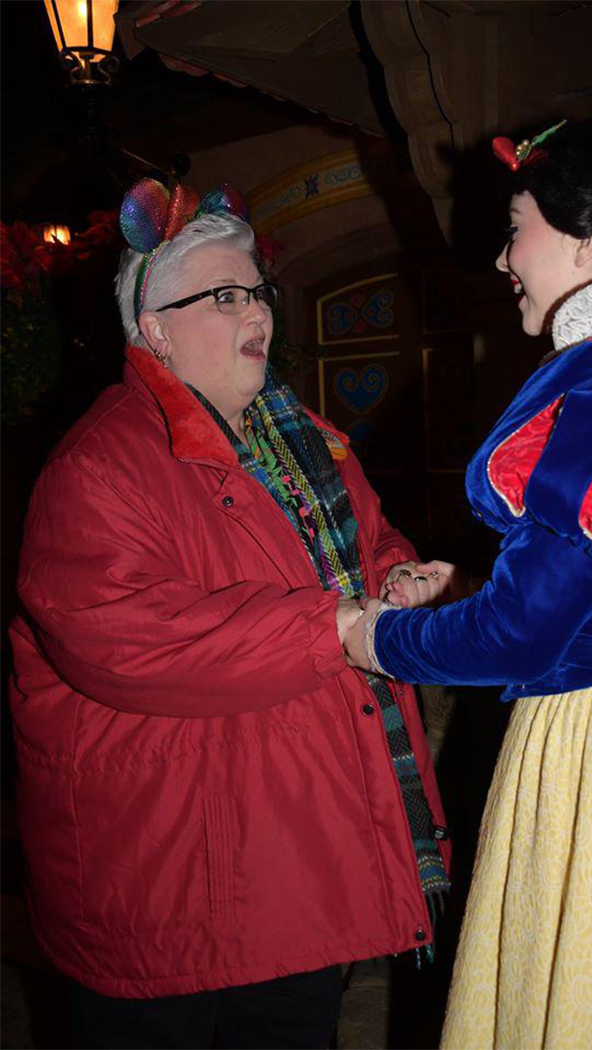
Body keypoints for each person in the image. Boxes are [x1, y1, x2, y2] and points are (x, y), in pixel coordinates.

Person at [8, 179, 450, 1050]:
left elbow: (369, 542)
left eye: (255, 291)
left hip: (296, 847)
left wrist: (396, 578)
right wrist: (335, 628)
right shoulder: (101, 463)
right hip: (169, 876)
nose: (255, 312)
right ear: (156, 330)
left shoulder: (304, 437)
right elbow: (123, 640)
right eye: (222, 295)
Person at [344, 115, 592, 1049]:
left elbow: (524, 634)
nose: (505, 258)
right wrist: (467, 586)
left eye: (517, 226)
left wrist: (371, 636)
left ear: (590, 240)